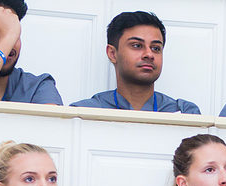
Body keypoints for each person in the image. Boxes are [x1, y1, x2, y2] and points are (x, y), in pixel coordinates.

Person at [71, 10, 201, 114]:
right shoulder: (84, 113)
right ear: (112, 53)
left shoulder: (183, 112)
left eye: (156, 48)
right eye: (137, 46)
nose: (149, 54)